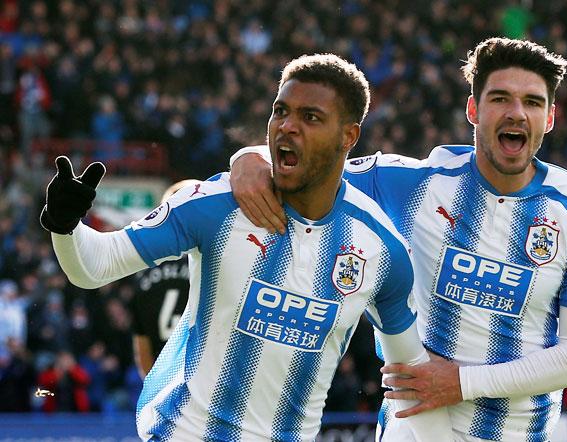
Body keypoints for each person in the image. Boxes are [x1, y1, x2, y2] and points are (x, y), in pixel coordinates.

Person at [40, 54, 452, 441]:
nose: (287, 126)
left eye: (310, 117)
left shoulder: (380, 247)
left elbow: (410, 377)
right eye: (280, 111)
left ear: (349, 136)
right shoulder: (215, 205)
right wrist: (66, 226)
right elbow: (94, 266)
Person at [229, 38, 567, 441]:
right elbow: (306, 166)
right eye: (500, 98)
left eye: (533, 103)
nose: (517, 113)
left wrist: (461, 383)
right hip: (412, 421)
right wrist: (248, 159)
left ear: (550, 117)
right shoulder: (415, 183)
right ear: (473, 110)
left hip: (517, 432)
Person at [130, 180, 197, 379]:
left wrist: (153, 388)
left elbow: (141, 347)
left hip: (162, 374)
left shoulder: (143, 269)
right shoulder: (210, 261)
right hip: (201, 373)